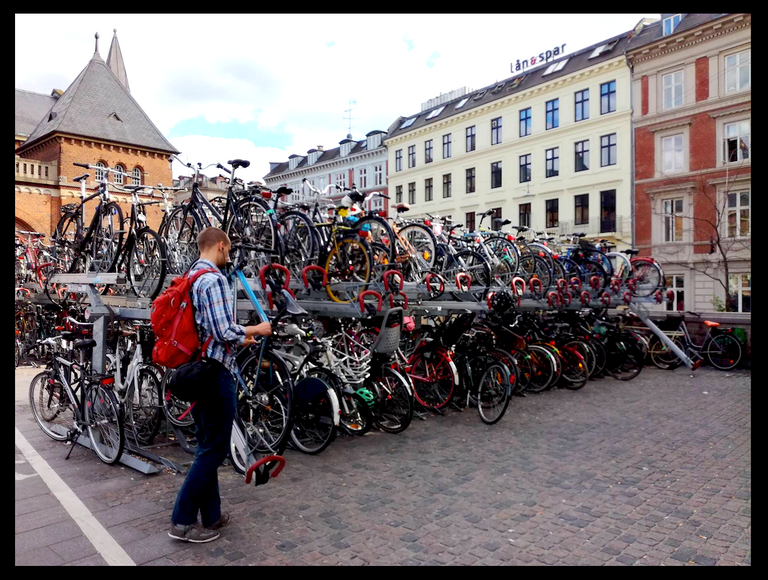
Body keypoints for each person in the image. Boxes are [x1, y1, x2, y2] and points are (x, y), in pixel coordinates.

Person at [168, 227, 271, 543]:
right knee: (213, 450)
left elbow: (209, 332)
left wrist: (242, 338)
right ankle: (182, 521)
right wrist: (258, 328)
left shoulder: (192, 276)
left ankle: (211, 516)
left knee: (206, 445)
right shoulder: (213, 280)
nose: (229, 255)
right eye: (228, 249)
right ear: (221, 246)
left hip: (199, 370)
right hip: (214, 375)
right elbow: (224, 330)